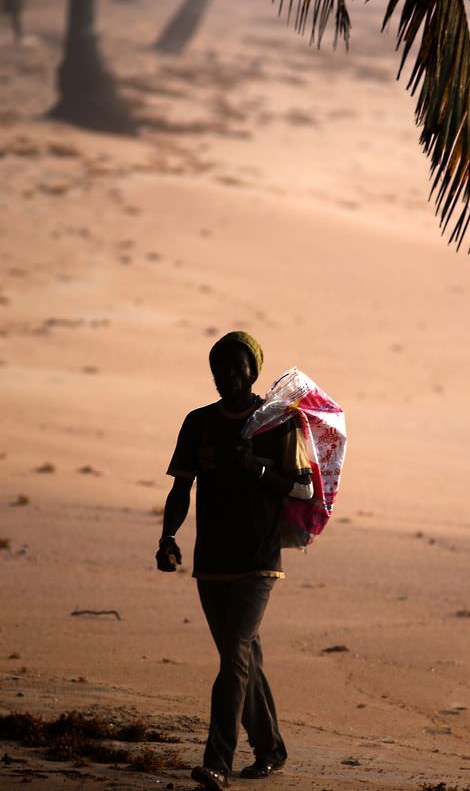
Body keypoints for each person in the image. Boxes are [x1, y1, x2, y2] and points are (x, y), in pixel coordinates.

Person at [156, 332, 313, 791]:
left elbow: (303, 488)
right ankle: (270, 750)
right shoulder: (199, 423)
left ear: (254, 372)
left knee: (234, 660)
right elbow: (180, 488)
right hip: (211, 559)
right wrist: (167, 536)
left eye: (238, 367)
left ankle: (217, 763)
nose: (228, 375)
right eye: (220, 367)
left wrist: (259, 470)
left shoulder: (278, 421)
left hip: (259, 558)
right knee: (240, 656)